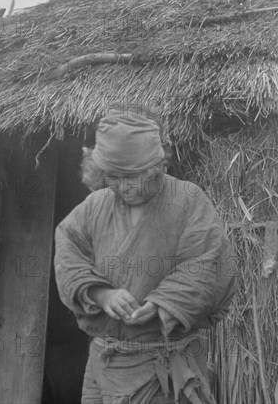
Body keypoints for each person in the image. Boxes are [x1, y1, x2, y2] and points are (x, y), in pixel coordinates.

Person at [54, 109, 236, 404]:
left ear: (156, 168)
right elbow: (69, 253)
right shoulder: (93, 207)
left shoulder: (188, 201)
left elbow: (208, 263)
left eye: (132, 178)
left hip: (163, 369)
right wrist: (102, 294)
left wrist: (162, 303)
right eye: (113, 178)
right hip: (103, 362)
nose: (123, 187)